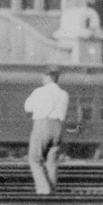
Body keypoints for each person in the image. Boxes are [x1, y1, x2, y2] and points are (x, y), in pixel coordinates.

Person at [23, 68, 70, 196]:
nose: (42, 79)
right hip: (57, 127)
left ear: (49, 77)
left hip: (42, 124)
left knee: (34, 159)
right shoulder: (64, 94)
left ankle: (44, 190)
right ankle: (52, 192)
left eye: (43, 77)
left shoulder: (39, 91)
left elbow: (28, 107)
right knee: (52, 162)